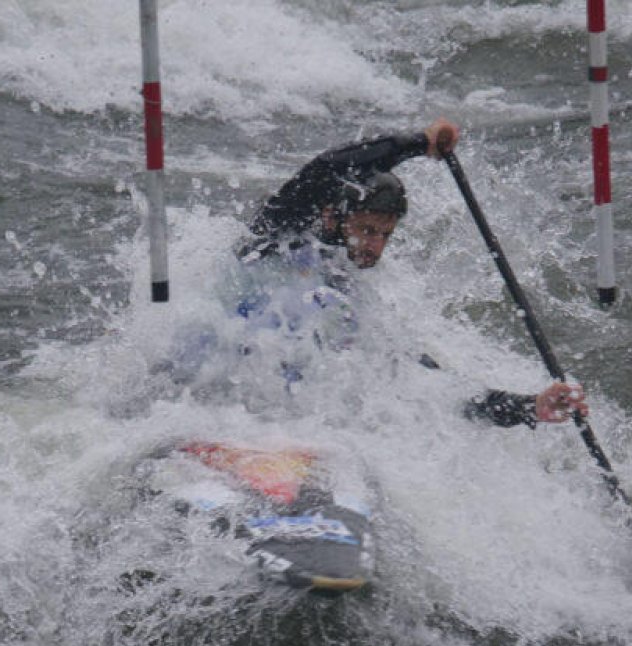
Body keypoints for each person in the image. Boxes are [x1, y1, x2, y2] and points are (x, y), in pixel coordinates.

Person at [234, 118, 589, 428]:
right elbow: (325, 169)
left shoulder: (354, 299)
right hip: (214, 386)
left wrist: (530, 407)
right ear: (331, 217)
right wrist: (419, 143)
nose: (375, 248)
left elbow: (437, 391)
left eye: (385, 235)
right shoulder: (273, 238)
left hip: (277, 414)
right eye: (367, 230)